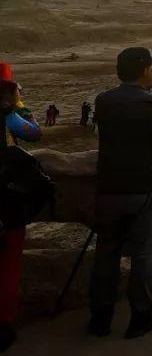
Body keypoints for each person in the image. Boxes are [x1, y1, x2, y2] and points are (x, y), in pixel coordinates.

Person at [88, 48, 152, 339]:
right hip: (145, 187)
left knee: (106, 253)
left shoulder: (103, 100)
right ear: (146, 70)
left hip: (108, 187)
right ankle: (141, 316)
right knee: (144, 254)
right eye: (151, 68)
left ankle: (100, 318)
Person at [1, 73, 42, 352]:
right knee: (7, 265)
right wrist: (19, 105)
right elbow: (34, 132)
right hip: (5, 203)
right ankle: (2, 326)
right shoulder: (8, 117)